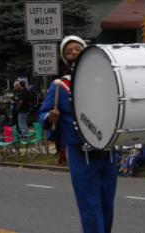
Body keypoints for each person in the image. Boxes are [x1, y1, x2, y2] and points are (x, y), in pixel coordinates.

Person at [38, 35, 118, 233]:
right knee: (90, 204)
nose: (73, 52)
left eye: (77, 48)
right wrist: (50, 117)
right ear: (65, 58)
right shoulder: (60, 86)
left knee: (107, 203)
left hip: (107, 150)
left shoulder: (105, 80)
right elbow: (42, 113)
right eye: (68, 51)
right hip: (80, 152)